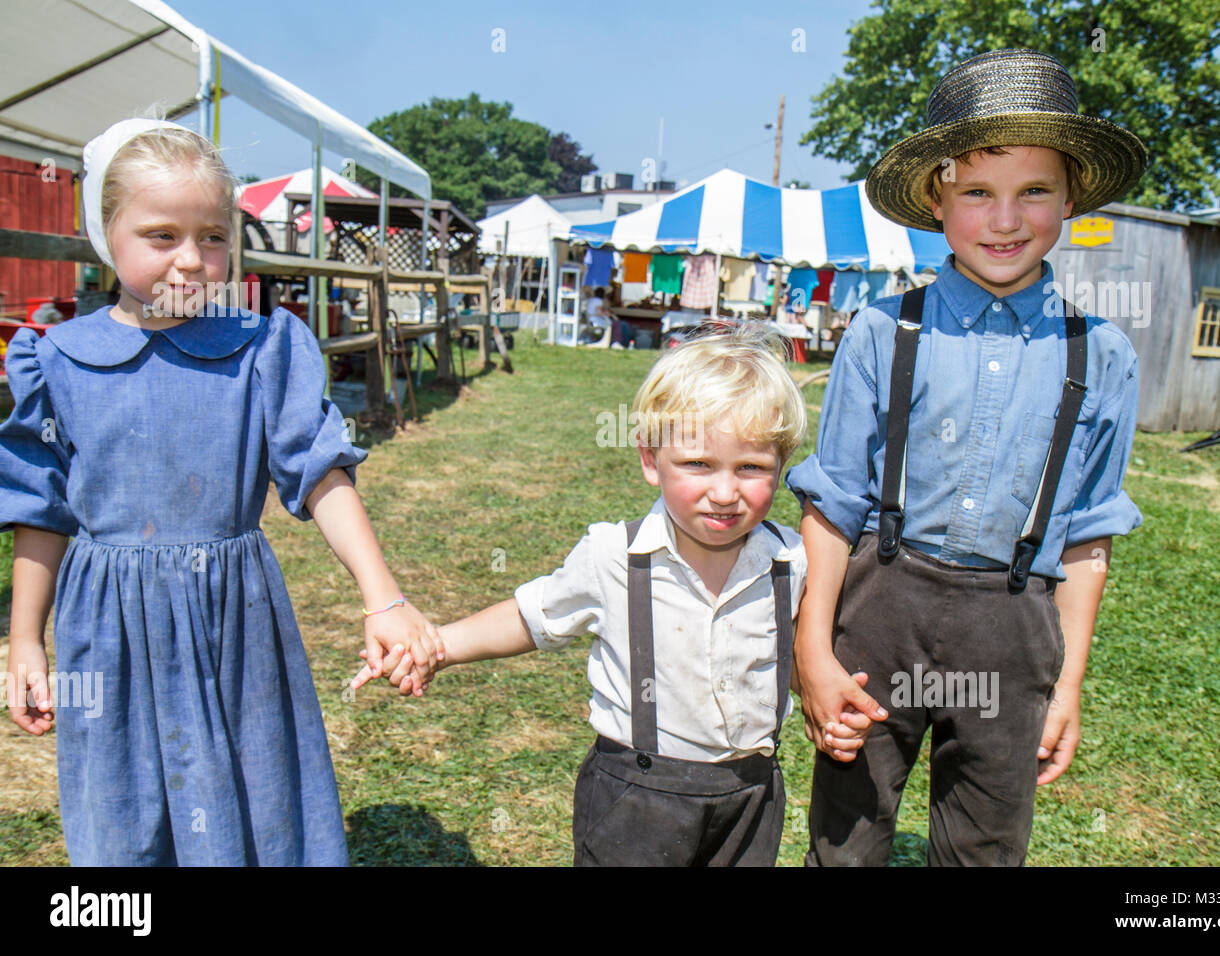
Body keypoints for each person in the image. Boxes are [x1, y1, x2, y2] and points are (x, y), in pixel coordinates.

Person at [0, 118, 440, 865]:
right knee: (122, 798)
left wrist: (384, 596)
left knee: (256, 786)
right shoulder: (57, 361)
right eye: (161, 235)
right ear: (107, 234)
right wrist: (23, 641)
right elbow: (42, 511)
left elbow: (320, 471)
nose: (193, 260)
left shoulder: (262, 348)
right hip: (104, 629)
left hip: (233, 613)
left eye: (212, 236)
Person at [786, 48, 1148, 866]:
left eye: (1034, 192)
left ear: (1070, 200)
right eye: (978, 192)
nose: (1006, 219)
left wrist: (1067, 684)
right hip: (878, 614)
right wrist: (814, 650)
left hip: (1013, 627)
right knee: (845, 840)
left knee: (985, 851)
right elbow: (833, 502)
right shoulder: (884, 331)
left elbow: (1089, 539)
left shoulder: (1104, 355)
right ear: (937, 199)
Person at [354, 325, 869, 865]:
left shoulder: (792, 563)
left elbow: (786, 660)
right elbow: (532, 619)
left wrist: (825, 701)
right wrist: (437, 646)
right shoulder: (612, 556)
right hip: (634, 799)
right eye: (698, 464)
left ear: (781, 465)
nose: (724, 492)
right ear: (651, 460)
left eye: (752, 468)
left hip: (750, 797)